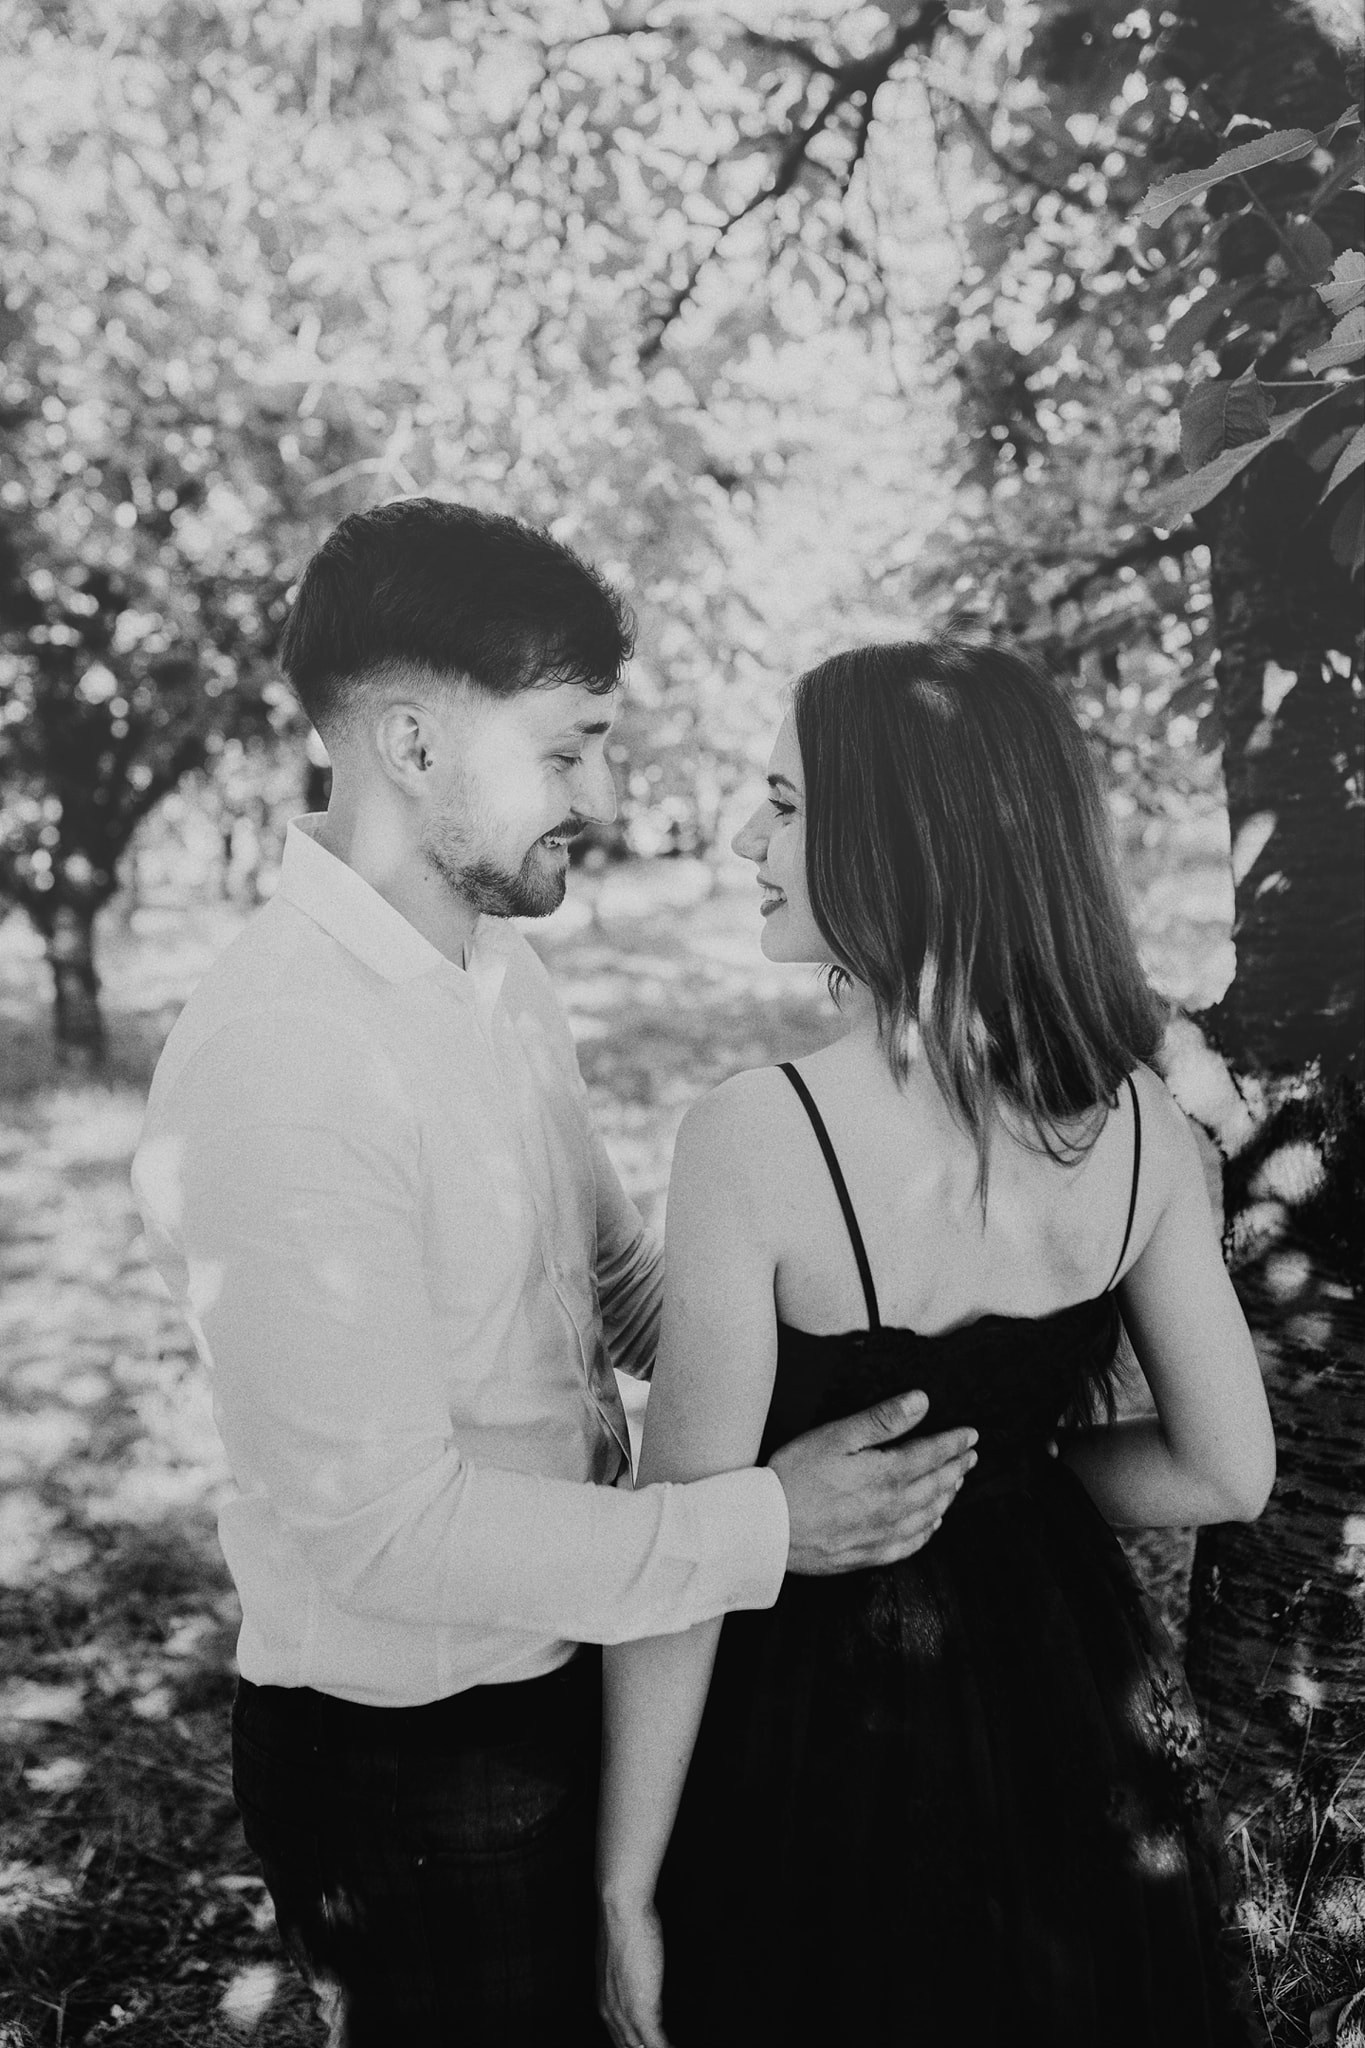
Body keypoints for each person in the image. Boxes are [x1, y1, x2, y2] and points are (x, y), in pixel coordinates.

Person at [130, 503, 977, 2048]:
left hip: (584, 1647)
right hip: (418, 1758)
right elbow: (384, 1534)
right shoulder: (286, 1062)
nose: (602, 796)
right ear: (410, 742)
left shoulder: (497, 969)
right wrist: (768, 1525)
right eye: (568, 748)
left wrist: (893, 1330)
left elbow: (615, 1288)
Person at [597, 640, 1276, 2048]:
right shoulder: (1139, 1123)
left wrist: (623, 1884)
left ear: (897, 835)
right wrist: (1004, 1480)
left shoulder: (758, 1136)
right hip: (1067, 1703)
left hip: (815, 1725)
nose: (745, 839)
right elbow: (1227, 1470)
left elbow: (687, 1544)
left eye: (784, 804)